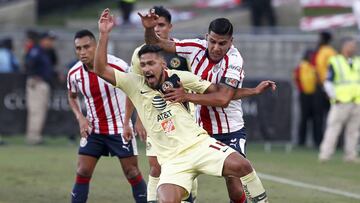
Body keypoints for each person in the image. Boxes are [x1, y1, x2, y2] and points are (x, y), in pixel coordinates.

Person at [95, 8, 269, 203]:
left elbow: (223, 97)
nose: (216, 47)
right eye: (142, 65)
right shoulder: (136, 81)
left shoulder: (217, 66)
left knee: (237, 179)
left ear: (163, 64)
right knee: (159, 173)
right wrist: (108, 33)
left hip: (222, 129)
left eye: (222, 43)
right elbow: (107, 67)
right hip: (188, 138)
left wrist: (186, 96)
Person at [126, 6, 197, 203]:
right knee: (155, 166)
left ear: (170, 27)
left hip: (183, 120)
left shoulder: (183, 52)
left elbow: (195, 84)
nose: (157, 29)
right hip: (154, 118)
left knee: (186, 165)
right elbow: (134, 88)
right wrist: (135, 120)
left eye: (161, 25)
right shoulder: (139, 54)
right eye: (154, 25)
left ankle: (189, 198)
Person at [67, 29, 147, 203]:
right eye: (78, 48)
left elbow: (134, 92)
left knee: (132, 172)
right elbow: (72, 96)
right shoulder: (74, 73)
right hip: (93, 129)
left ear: (96, 46)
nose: (82, 52)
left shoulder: (117, 65)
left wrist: (130, 122)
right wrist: (80, 118)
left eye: (86, 47)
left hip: (119, 128)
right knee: (82, 171)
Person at [318, 37, 360, 163]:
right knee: (333, 128)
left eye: (354, 46)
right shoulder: (335, 61)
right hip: (341, 102)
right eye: (350, 45)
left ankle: (350, 155)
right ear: (344, 47)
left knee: (353, 131)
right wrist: (333, 97)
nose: (353, 48)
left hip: (356, 101)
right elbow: (328, 81)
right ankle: (325, 154)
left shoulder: (358, 61)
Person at [24, 31, 55, 145]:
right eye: (50, 40)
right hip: (36, 83)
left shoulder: (47, 52)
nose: (52, 42)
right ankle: (33, 137)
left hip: (43, 83)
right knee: (36, 111)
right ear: (43, 40)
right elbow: (28, 64)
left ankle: (36, 136)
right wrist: (33, 76)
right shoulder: (36, 50)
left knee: (40, 111)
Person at [313, 31, 337, 147]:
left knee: (327, 116)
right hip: (323, 86)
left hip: (325, 87)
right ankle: (320, 141)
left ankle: (324, 142)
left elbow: (326, 71)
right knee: (320, 115)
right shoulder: (324, 51)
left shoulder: (328, 52)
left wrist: (326, 88)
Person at [293, 49, 319, 147]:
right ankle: (301, 141)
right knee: (304, 118)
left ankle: (316, 141)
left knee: (315, 118)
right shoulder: (301, 66)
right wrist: (301, 89)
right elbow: (296, 78)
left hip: (314, 95)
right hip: (304, 95)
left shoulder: (314, 67)